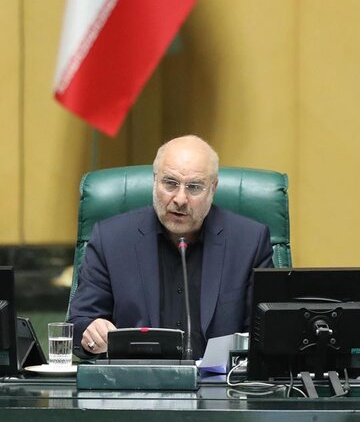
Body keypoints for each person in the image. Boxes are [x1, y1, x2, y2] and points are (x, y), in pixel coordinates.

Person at [68, 135, 273, 359]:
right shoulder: (111, 239)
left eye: (194, 187)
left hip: (220, 379)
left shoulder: (249, 242)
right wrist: (91, 333)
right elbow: (79, 323)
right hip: (135, 378)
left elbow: (266, 336)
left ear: (213, 188)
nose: (180, 199)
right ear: (155, 180)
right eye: (170, 183)